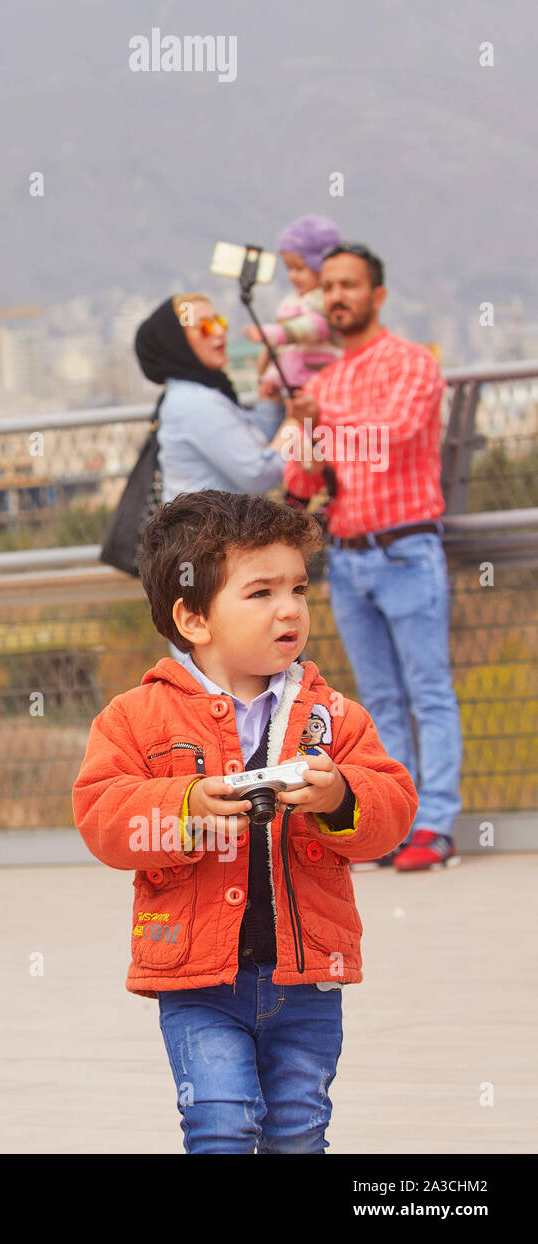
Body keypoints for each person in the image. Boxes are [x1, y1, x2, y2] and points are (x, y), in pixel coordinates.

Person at [72, 490, 416, 1153]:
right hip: (198, 980)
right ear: (193, 618)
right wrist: (183, 805)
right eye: (260, 593)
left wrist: (342, 797)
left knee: (298, 1132)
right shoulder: (137, 718)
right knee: (221, 1125)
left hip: (306, 979)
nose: (289, 608)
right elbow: (100, 814)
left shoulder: (332, 715)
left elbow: (393, 809)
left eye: (298, 588)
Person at [283, 243, 463, 872]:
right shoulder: (318, 385)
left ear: (377, 294)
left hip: (407, 547)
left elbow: (392, 435)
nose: (337, 296)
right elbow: (301, 483)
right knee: (379, 701)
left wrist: (321, 418)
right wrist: (303, 432)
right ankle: (395, 823)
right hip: (349, 559)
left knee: (429, 691)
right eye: (328, 286)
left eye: (349, 285)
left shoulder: (412, 363)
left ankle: (437, 822)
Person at [135, 293, 299, 506]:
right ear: (177, 342)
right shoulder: (194, 402)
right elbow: (259, 474)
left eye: (219, 321)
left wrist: (269, 397)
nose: (220, 331)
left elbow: (256, 445)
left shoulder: (201, 392)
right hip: (210, 536)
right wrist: (296, 423)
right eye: (204, 327)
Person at [244, 214, 343, 406]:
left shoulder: (325, 298)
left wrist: (270, 333)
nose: (293, 276)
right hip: (291, 386)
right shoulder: (292, 301)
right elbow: (286, 352)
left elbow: (314, 327)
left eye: (300, 268)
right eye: (289, 268)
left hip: (321, 384)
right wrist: (272, 379)